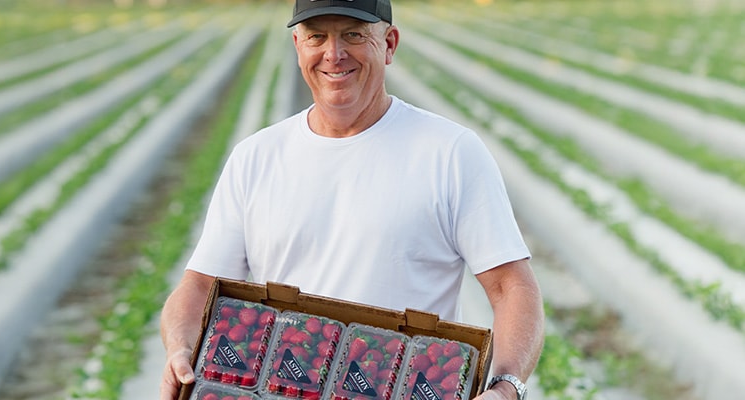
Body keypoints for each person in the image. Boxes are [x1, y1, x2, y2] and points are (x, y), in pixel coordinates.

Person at [160, 0, 544, 399]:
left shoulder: (450, 152)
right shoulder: (256, 157)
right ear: (298, 45)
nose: (334, 53)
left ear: (389, 43)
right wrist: (180, 349)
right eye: (317, 37)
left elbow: (510, 285)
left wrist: (506, 386)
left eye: (353, 35)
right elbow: (201, 284)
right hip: (285, 386)